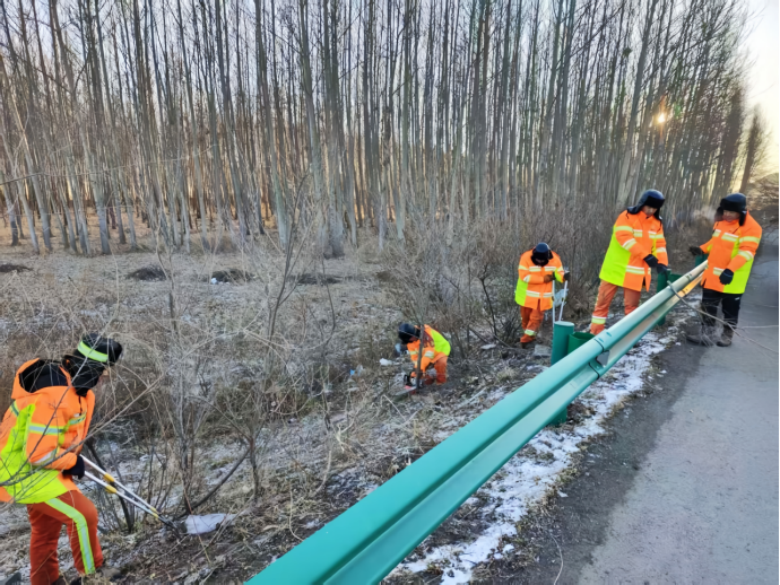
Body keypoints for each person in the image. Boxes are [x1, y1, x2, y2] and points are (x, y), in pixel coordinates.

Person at [0, 335, 123, 585]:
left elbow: (61, 438)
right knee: (83, 514)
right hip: (21, 469)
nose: (103, 380)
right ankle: (93, 575)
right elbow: (37, 453)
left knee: (46, 530)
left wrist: (72, 459)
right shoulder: (53, 395)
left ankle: (45, 581)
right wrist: (71, 462)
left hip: (43, 467)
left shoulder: (79, 391)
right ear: (92, 369)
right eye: (103, 373)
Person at [687, 193, 762, 347]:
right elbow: (715, 242)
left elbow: (747, 252)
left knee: (730, 309)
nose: (727, 215)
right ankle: (706, 334)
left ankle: (727, 334)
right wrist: (702, 249)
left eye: (731, 212)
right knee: (708, 306)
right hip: (712, 275)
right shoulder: (721, 222)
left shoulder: (752, 228)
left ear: (741, 212)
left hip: (732, 278)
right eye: (725, 211)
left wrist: (730, 270)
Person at [591, 190, 670, 335]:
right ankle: (595, 334)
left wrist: (662, 262)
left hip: (636, 272)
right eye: (648, 207)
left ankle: (628, 338)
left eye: (654, 209)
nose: (651, 211)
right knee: (602, 304)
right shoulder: (627, 216)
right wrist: (646, 255)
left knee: (632, 308)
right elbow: (624, 238)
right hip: (615, 269)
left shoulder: (657, 223)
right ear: (642, 204)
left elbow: (659, 245)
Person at [515, 243, 569, 348]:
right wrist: (543, 279)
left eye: (542, 260)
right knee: (525, 319)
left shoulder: (555, 259)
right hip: (526, 296)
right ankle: (528, 336)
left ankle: (526, 340)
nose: (539, 262)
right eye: (537, 260)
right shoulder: (526, 257)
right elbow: (524, 276)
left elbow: (558, 273)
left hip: (542, 297)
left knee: (535, 319)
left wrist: (563, 276)